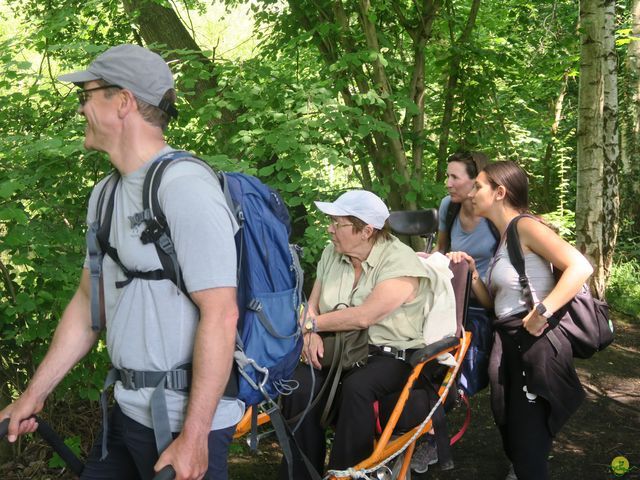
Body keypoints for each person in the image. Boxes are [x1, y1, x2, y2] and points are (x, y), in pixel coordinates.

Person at [0, 44, 244, 480]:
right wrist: (33, 395)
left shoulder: (185, 187)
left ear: (124, 102)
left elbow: (222, 313)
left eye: (87, 95)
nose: (80, 110)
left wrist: (193, 438)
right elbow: (87, 305)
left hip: (181, 422)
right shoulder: (105, 195)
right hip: (127, 413)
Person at [447, 161, 593, 480]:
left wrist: (543, 312)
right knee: (510, 426)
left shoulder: (525, 227)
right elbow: (495, 303)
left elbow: (580, 266)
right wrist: (473, 273)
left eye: (479, 186)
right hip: (509, 341)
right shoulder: (504, 236)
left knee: (528, 444)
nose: (471, 192)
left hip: (534, 346)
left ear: (500, 193)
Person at [278, 190, 431, 479]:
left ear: (366, 231)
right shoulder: (331, 254)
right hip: (341, 347)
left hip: (389, 355)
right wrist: (309, 334)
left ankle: (347, 475)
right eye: (331, 222)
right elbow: (311, 306)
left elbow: (365, 316)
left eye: (338, 223)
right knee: (299, 382)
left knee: (358, 386)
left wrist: (313, 326)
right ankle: (300, 474)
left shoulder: (400, 261)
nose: (330, 229)